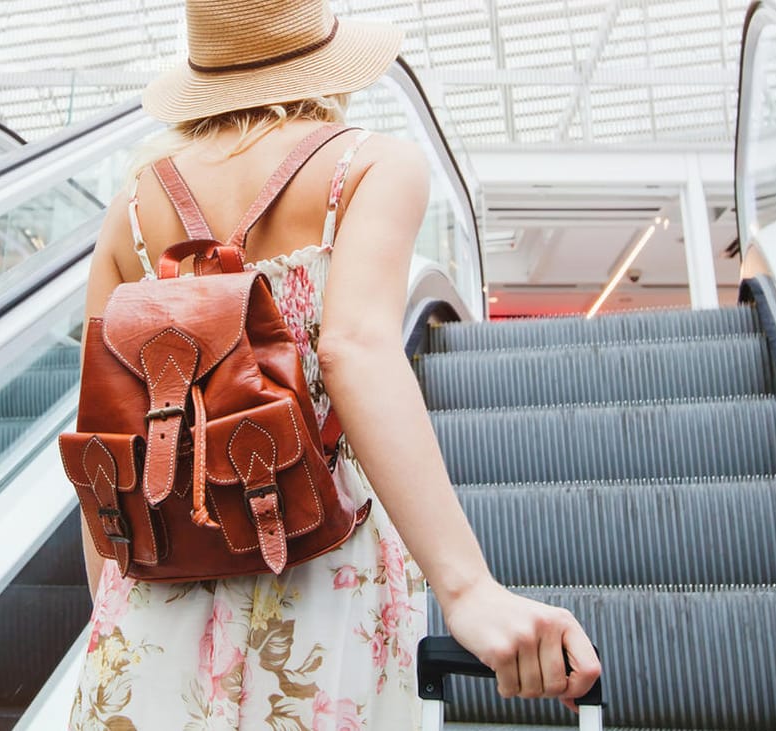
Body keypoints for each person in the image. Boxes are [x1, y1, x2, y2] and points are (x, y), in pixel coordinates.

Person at [69, 1, 601, 727]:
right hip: (321, 566)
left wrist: (108, 607)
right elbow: (353, 347)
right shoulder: (367, 165)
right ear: (324, 61)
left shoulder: (131, 205)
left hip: (159, 590)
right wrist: (468, 586)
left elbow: (105, 436)